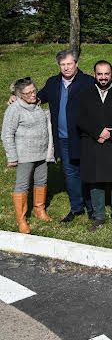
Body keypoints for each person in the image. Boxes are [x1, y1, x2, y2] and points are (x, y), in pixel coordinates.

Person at [36, 49, 94, 222]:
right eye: (63, 64)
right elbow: (37, 97)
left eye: (69, 64)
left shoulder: (88, 82)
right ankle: (76, 207)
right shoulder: (53, 82)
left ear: (76, 64)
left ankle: (91, 206)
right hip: (62, 137)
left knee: (86, 172)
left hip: (83, 136)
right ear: (59, 66)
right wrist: (16, 97)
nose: (67, 68)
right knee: (70, 173)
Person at [77, 61, 112, 231]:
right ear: (95, 74)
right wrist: (97, 133)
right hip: (92, 143)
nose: (103, 77)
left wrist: (110, 133)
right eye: (99, 74)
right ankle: (99, 216)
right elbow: (80, 118)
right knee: (95, 180)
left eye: (106, 74)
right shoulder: (85, 94)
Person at [4, 77, 53, 233]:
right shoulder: (14, 109)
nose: (33, 95)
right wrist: (12, 156)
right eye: (28, 93)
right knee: (22, 186)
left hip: (42, 153)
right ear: (19, 95)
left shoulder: (36, 105)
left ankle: (39, 210)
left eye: (34, 90)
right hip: (24, 155)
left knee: (41, 181)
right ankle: (21, 220)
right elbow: (7, 134)